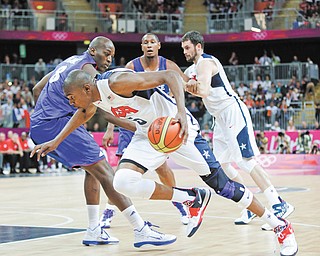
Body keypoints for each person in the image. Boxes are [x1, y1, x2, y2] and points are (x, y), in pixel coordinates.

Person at [38, 67, 296, 255]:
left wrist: (182, 115)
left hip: (177, 129)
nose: (70, 102)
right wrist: (56, 141)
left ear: (85, 88)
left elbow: (170, 76)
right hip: (149, 134)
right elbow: (84, 113)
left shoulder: (117, 81)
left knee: (223, 186)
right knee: (123, 181)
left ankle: (279, 225)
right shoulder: (92, 98)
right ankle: (191, 197)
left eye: (71, 97)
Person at [29, 36, 178, 248]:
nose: (109, 59)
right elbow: (98, 109)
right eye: (106, 54)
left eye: (112, 56)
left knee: (93, 171)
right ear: (92, 51)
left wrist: (47, 118)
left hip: (40, 123)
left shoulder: (70, 61)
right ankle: (140, 229)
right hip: (56, 124)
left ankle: (93, 230)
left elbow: (37, 89)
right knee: (108, 174)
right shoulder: (89, 73)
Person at [181, 31, 297, 255]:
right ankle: (251, 207)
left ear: (198, 46)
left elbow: (202, 90)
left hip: (232, 111)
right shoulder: (190, 70)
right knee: (223, 165)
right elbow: (190, 86)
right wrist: (187, 84)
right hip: (219, 118)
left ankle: (278, 202)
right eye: (183, 49)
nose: (185, 52)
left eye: (187, 47)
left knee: (245, 161)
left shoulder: (207, 62)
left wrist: (190, 87)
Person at [101, 33, 190, 227]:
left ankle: (179, 202)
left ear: (158, 45)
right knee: (123, 172)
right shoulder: (132, 67)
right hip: (132, 123)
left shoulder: (170, 66)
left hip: (156, 125)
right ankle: (109, 210)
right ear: (142, 47)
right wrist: (110, 129)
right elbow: (113, 100)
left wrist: (199, 84)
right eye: (145, 43)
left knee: (163, 169)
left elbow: (185, 85)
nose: (149, 45)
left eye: (152, 42)